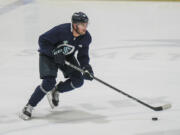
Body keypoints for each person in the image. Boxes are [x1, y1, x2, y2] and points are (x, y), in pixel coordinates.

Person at [20, 12, 94, 120]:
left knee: (78, 81)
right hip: (48, 56)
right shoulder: (61, 30)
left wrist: (86, 67)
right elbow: (42, 40)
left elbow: (83, 55)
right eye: (82, 24)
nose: (85, 27)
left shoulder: (86, 37)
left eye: (86, 24)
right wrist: (54, 52)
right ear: (74, 25)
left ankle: (57, 90)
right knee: (49, 82)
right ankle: (29, 106)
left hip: (66, 57)